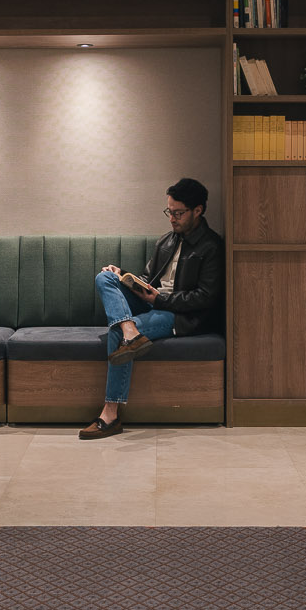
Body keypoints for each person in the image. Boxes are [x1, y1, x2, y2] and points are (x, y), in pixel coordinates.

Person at [81, 178, 224, 440]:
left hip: (181, 316)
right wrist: (123, 275)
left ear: (198, 210)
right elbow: (147, 281)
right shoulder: (166, 241)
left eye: (178, 213)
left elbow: (205, 298)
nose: (172, 218)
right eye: (169, 211)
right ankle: (130, 329)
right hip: (154, 301)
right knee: (105, 277)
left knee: (117, 334)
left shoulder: (212, 247)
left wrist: (159, 300)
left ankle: (110, 415)